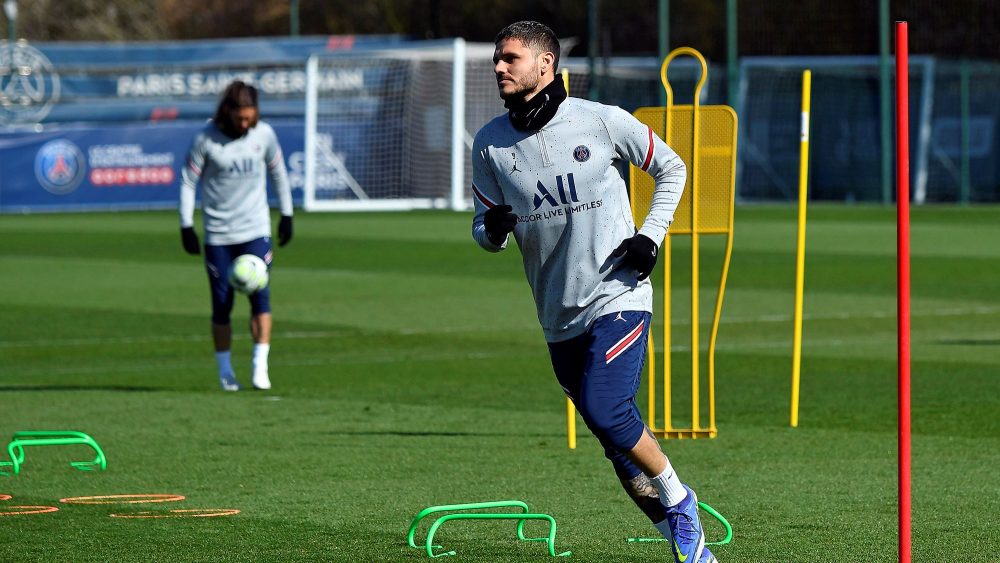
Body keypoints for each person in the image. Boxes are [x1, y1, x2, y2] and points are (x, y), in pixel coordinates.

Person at [471, 21, 716, 563]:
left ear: (545, 64)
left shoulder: (600, 121)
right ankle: (689, 548)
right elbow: (482, 227)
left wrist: (650, 237)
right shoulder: (489, 144)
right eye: (496, 58)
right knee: (618, 454)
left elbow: (672, 167)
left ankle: (682, 503)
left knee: (609, 409)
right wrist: (490, 231)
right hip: (557, 316)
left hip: (618, 297)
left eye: (510, 58)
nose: (499, 67)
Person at [179, 80, 293, 392]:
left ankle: (260, 367)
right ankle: (226, 370)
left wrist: (287, 214)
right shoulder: (206, 139)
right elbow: (188, 182)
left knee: (260, 295)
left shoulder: (264, 134)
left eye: (250, 117)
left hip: (256, 229)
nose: (245, 123)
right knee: (222, 304)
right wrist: (186, 225)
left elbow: (278, 173)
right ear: (227, 112)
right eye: (240, 117)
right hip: (219, 233)